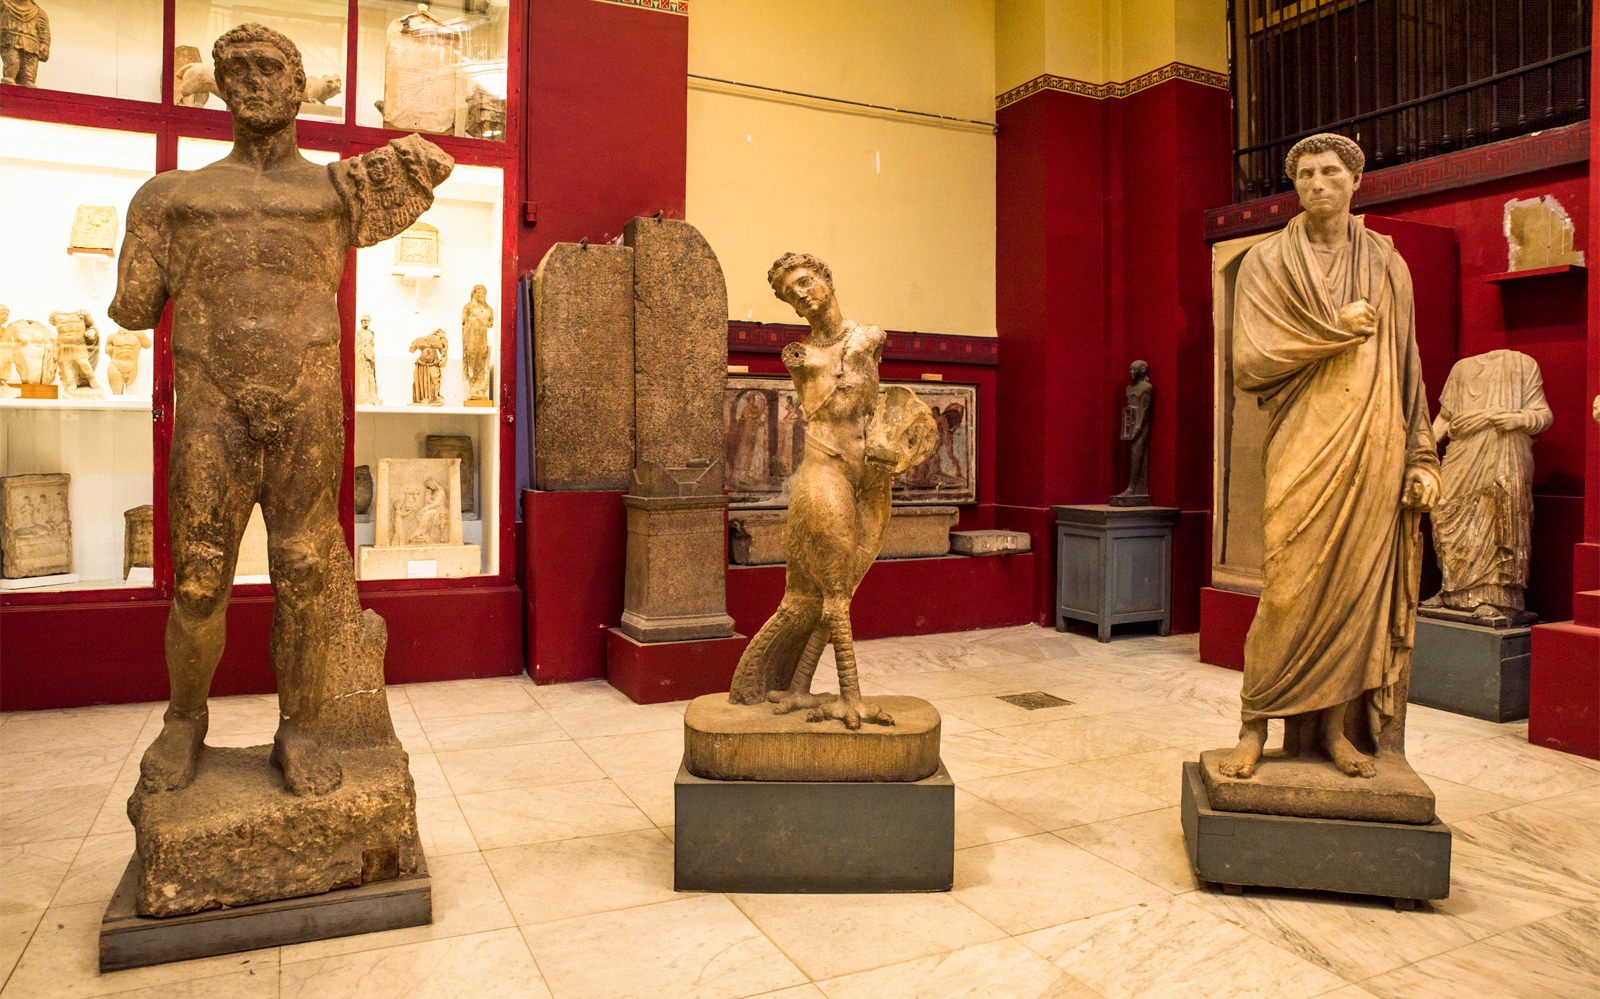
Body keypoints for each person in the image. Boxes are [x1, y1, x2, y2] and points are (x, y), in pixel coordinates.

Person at [109, 23, 452, 796]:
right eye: (239, 70)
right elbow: (132, 308)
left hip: (305, 407)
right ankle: (183, 719)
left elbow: (432, 160)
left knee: (304, 574)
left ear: (300, 86)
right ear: (219, 86)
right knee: (198, 581)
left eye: (272, 69)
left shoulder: (337, 192)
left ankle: (298, 725)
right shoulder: (174, 196)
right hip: (210, 410)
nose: (255, 82)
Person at [1221, 133, 1440, 780]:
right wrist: (1329, 333)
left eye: (1331, 172)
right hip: (1304, 443)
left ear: (1355, 181)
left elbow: (1408, 367)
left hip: (1374, 444)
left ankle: (1337, 732)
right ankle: (1255, 722)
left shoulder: (1387, 264)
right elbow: (1249, 361)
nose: (1318, 183)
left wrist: (1421, 454)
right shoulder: (1267, 262)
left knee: (1354, 593)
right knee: (1286, 589)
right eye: (1307, 174)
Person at [727, 253, 936, 728]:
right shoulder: (799, 355)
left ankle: (798, 685)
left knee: (837, 587)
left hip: (871, 477)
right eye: (788, 293)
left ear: (824, 279)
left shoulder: (870, 337)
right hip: (825, 471)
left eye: (803, 282)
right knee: (833, 593)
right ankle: (850, 696)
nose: (800, 294)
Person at [1424, 350, 1552, 617]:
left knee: (1496, 519)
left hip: (1503, 451)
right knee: (1444, 510)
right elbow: (1445, 419)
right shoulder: (1461, 369)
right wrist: (1421, 450)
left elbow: (1543, 415)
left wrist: (1519, 419)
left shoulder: (1523, 364)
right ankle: (1451, 590)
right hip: (1462, 452)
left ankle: (1495, 597)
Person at [1112, 360, 1152, 502]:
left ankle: (1132, 487)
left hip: (1139, 426)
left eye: (1133, 369)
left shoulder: (1146, 388)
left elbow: (1145, 410)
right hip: (1129, 425)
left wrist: (1139, 428)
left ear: (1142, 370)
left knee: (1137, 453)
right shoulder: (1129, 389)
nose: (1130, 373)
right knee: (1132, 454)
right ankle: (1132, 487)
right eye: (1129, 370)